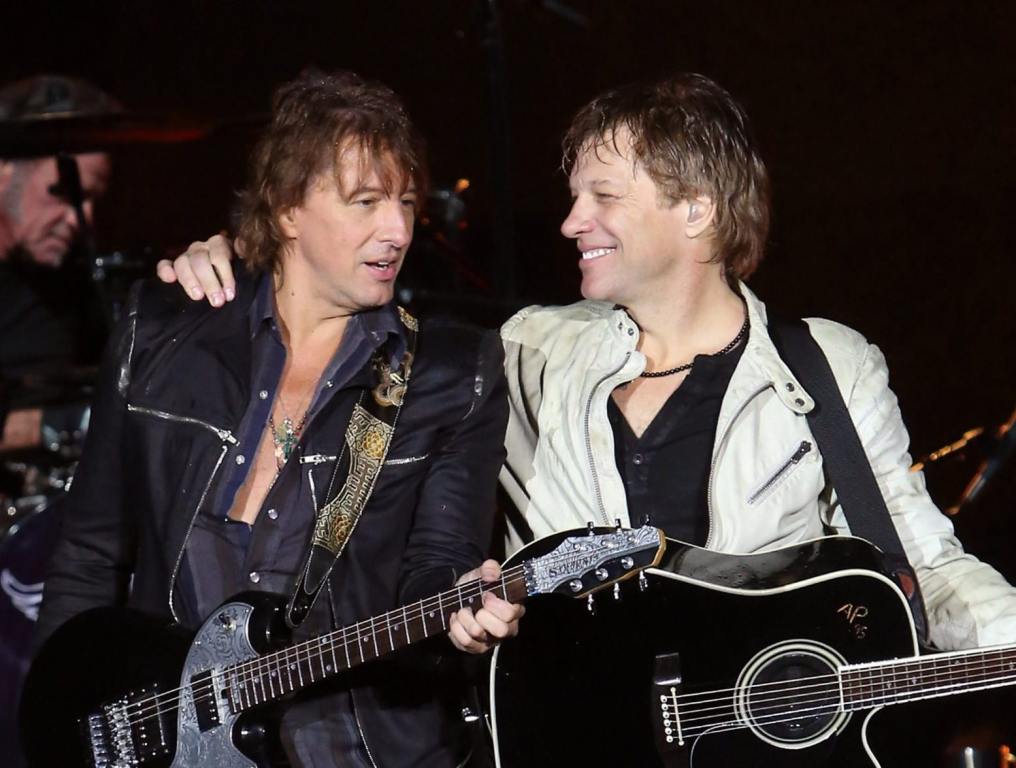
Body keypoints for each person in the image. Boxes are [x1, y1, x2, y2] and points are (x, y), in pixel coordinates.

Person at [162, 72, 1016, 654]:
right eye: (575, 197)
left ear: (696, 209)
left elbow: (925, 567)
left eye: (602, 197)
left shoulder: (826, 367)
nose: (571, 222)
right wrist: (246, 262)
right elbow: (349, 327)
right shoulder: (530, 348)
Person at [35, 70, 523, 768]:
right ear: (289, 207)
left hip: (349, 747)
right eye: (366, 202)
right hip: (167, 743)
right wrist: (58, 726)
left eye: (407, 203)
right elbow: (88, 554)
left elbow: (436, 567)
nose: (399, 230)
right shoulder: (162, 332)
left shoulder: (451, 372)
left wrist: (463, 605)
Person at [0, 75, 116, 451]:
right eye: (65, 193)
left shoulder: (72, 285)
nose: (81, 219)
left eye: (94, 201)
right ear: (5, 170)